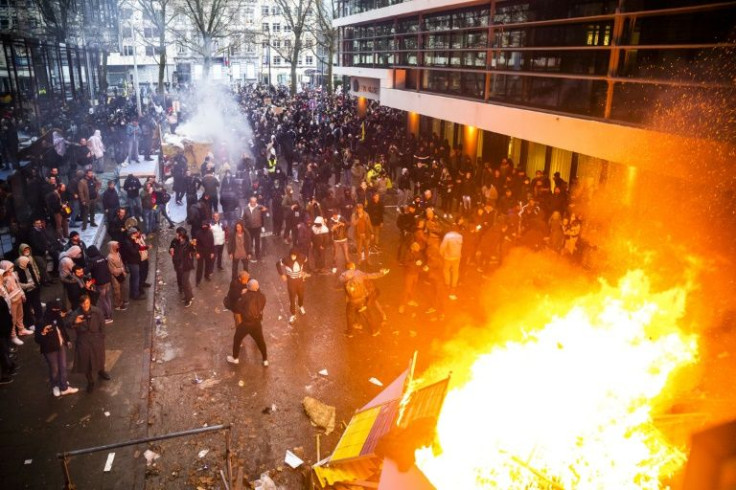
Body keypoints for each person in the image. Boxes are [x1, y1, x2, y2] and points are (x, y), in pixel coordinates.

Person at [35, 300, 79, 397]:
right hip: (50, 350)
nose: (61, 313)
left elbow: (62, 329)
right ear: (52, 309)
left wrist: (67, 340)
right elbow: (37, 339)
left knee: (63, 366)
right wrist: (43, 333)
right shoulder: (41, 322)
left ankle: (63, 387)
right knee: (54, 369)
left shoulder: (57, 318)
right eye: (58, 310)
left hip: (60, 345)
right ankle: (55, 385)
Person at [68, 294, 110, 393]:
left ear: (89, 301)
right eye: (83, 303)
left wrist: (101, 336)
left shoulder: (97, 311)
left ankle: (101, 371)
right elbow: (68, 323)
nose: (85, 305)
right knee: (86, 362)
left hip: (96, 338)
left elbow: (102, 324)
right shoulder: (76, 313)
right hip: (83, 340)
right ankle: (90, 382)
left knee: (99, 357)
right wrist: (75, 322)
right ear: (80, 304)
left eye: (87, 302)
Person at [339, 263, 388, 337]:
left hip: (352, 301)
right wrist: (382, 273)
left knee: (349, 316)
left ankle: (350, 333)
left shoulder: (344, 275)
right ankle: (374, 331)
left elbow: (339, 281)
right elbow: (371, 276)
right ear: (354, 266)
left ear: (347, 268)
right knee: (367, 315)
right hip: (361, 299)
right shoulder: (359, 273)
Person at [227, 279, 268, 367]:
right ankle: (265, 360)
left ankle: (235, 358)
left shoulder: (245, 297)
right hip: (257, 323)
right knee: (261, 341)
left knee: (237, 339)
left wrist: (243, 294)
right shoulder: (262, 297)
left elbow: (237, 308)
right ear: (257, 287)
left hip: (246, 324)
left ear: (247, 287)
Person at [276, 248, 308, 324]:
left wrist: (304, 271)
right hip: (291, 281)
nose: (293, 257)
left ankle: (301, 306)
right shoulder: (286, 260)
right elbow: (277, 264)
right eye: (292, 255)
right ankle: (293, 314)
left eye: (294, 255)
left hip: (300, 280)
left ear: (297, 255)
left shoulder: (302, 257)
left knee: (301, 295)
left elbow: (306, 261)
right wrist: (282, 275)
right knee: (292, 297)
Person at [169, 227, 195, 307]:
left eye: (177, 233)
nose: (175, 234)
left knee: (184, 282)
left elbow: (193, 251)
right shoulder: (174, 241)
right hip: (178, 265)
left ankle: (188, 299)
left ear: (181, 235)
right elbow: (170, 248)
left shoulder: (188, 244)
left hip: (186, 265)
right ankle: (190, 295)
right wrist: (171, 250)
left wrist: (193, 250)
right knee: (185, 282)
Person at [87, 246, 113, 323]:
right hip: (107, 280)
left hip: (100, 283)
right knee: (107, 297)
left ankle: (108, 317)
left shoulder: (92, 261)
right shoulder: (102, 257)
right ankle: (110, 313)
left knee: (102, 299)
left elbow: (86, 271)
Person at [439, 223, 463, 300]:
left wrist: (441, 254)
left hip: (448, 257)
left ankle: (447, 284)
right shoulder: (460, 236)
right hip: (457, 257)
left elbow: (443, 247)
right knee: (456, 272)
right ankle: (453, 287)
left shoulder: (447, 236)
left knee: (446, 270)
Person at [241, 196, 267, 261]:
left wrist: (265, 209)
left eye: (255, 202)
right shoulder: (245, 209)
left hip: (257, 228)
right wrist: (244, 227)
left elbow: (265, 210)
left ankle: (257, 255)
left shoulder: (259, 207)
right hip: (249, 228)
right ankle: (250, 254)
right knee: (250, 242)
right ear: (250, 202)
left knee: (257, 242)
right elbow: (243, 218)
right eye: (252, 202)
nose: (254, 203)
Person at [107, 241, 128, 311]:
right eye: (116, 245)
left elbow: (121, 262)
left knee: (122, 288)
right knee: (117, 291)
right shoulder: (110, 257)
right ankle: (117, 304)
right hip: (114, 277)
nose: (118, 247)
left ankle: (122, 301)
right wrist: (121, 270)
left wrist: (123, 270)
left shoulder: (117, 253)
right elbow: (112, 269)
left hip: (121, 273)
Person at [329, 209, 349, 273]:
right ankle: (334, 267)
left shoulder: (342, 218)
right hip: (336, 240)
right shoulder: (331, 221)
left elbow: (348, 225)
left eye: (336, 215)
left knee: (346, 254)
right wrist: (336, 225)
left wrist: (343, 224)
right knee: (335, 255)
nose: (335, 216)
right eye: (334, 215)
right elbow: (331, 230)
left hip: (344, 239)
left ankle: (348, 266)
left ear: (337, 214)